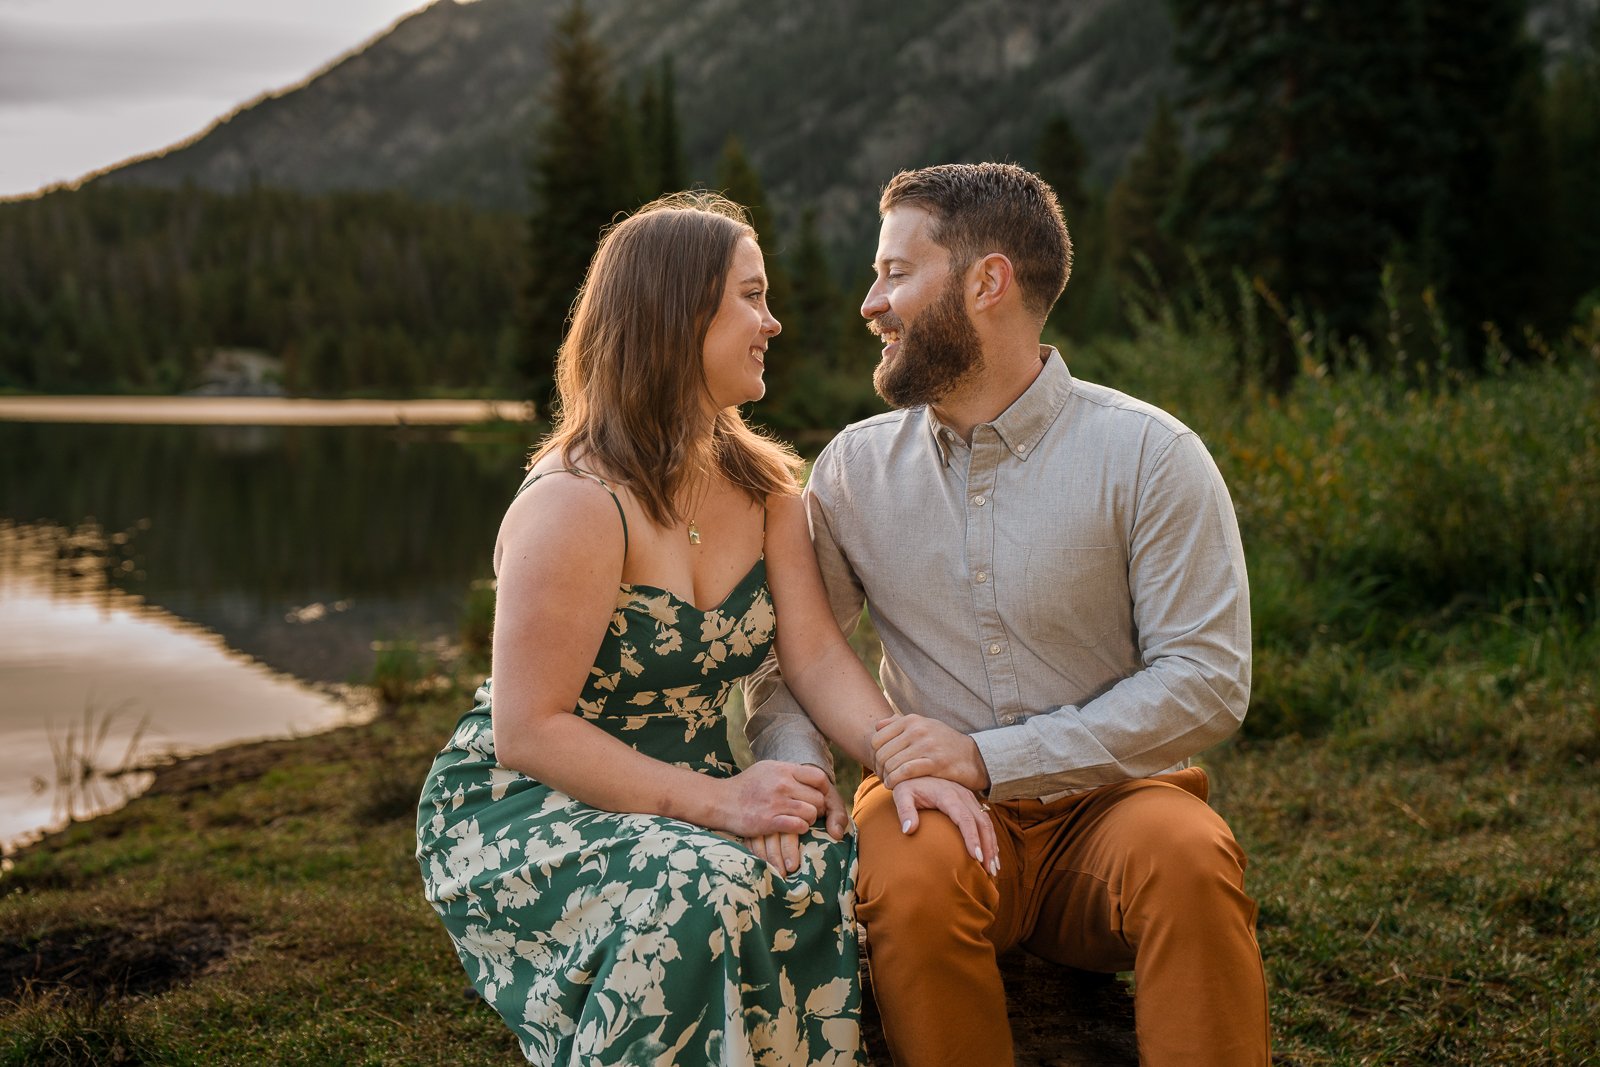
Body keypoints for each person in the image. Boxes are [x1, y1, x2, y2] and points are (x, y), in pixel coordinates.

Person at [415, 191, 994, 1067]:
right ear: (677, 316)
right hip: (536, 798)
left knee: (812, 874)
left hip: (704, 782)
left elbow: (812, 655)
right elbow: (529, 729)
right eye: (751, 297)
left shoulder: (767, 491)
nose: (775, 321)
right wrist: (724, 801)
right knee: (699, 884)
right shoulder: (574, 502)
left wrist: (904, 760)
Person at [745, 163, 1271, 1067]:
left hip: (1114, 808)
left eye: (896, 274)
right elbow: (796, 661)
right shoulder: (850, 471)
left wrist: (993, 758)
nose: (871, 302)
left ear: (988, 281)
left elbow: (1209, 681)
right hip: (930, 815)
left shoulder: (1150, 455)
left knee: (1192, 860)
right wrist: (802, 780)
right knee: (906, 881)